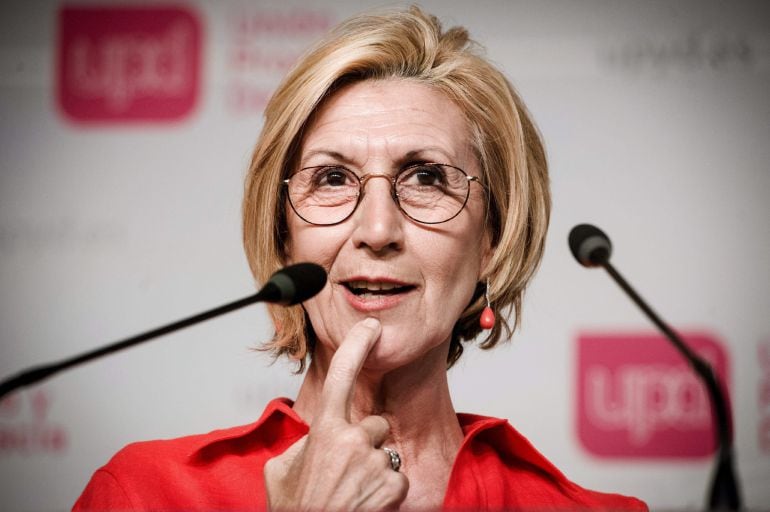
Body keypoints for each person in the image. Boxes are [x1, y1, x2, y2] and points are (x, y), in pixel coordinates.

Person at [74, 6, 647, 511]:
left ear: (494, 240)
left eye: (427, 177)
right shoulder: (144, 496)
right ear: (284, 238)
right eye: (332, 178)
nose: (377, 230)